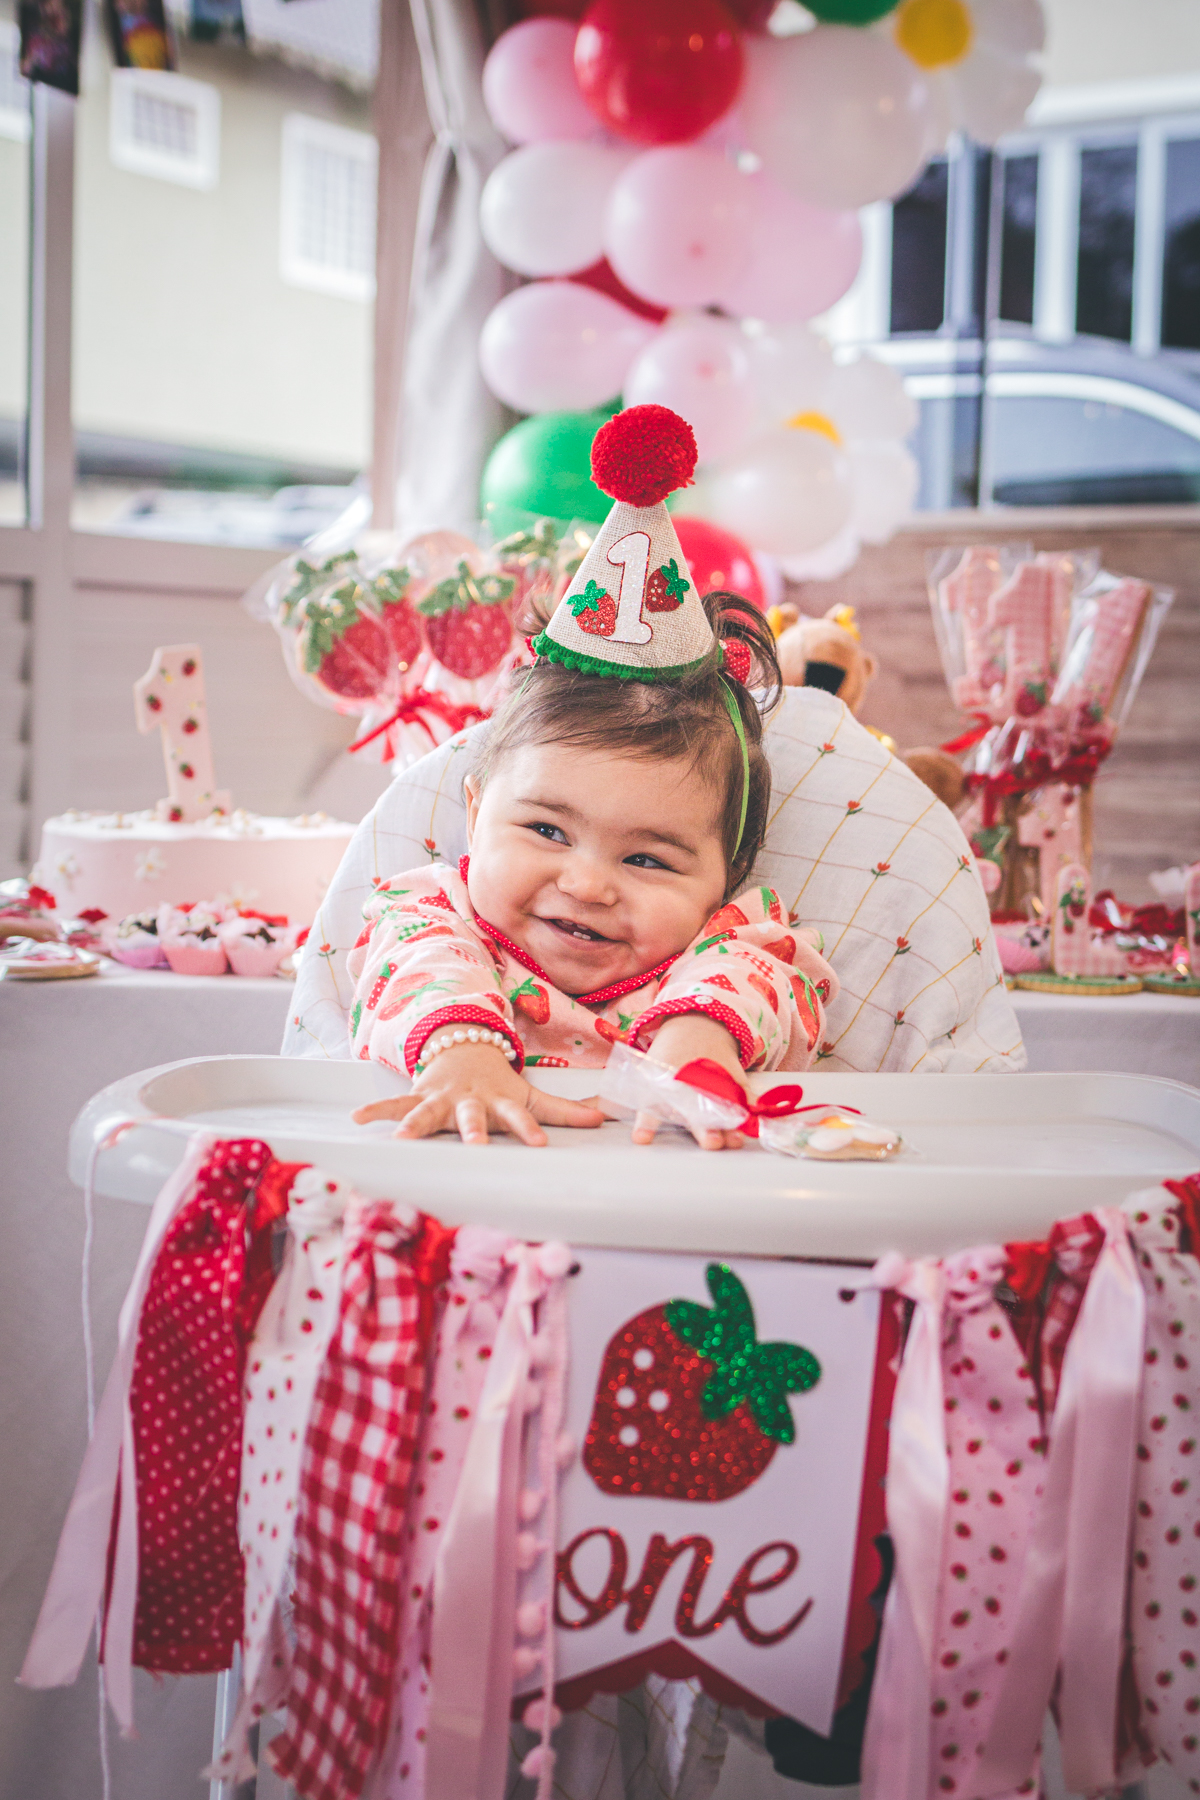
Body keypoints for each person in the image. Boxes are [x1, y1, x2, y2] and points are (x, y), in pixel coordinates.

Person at [349, 404, 837, 1151]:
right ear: (474, 812)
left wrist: (699, 1045)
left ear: (725, 876)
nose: (585, 886)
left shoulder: (728, 940)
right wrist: (463, 1056)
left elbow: (767, 983)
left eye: (647, 858)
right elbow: (415, 966)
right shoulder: (435, 913)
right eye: (547, 830)